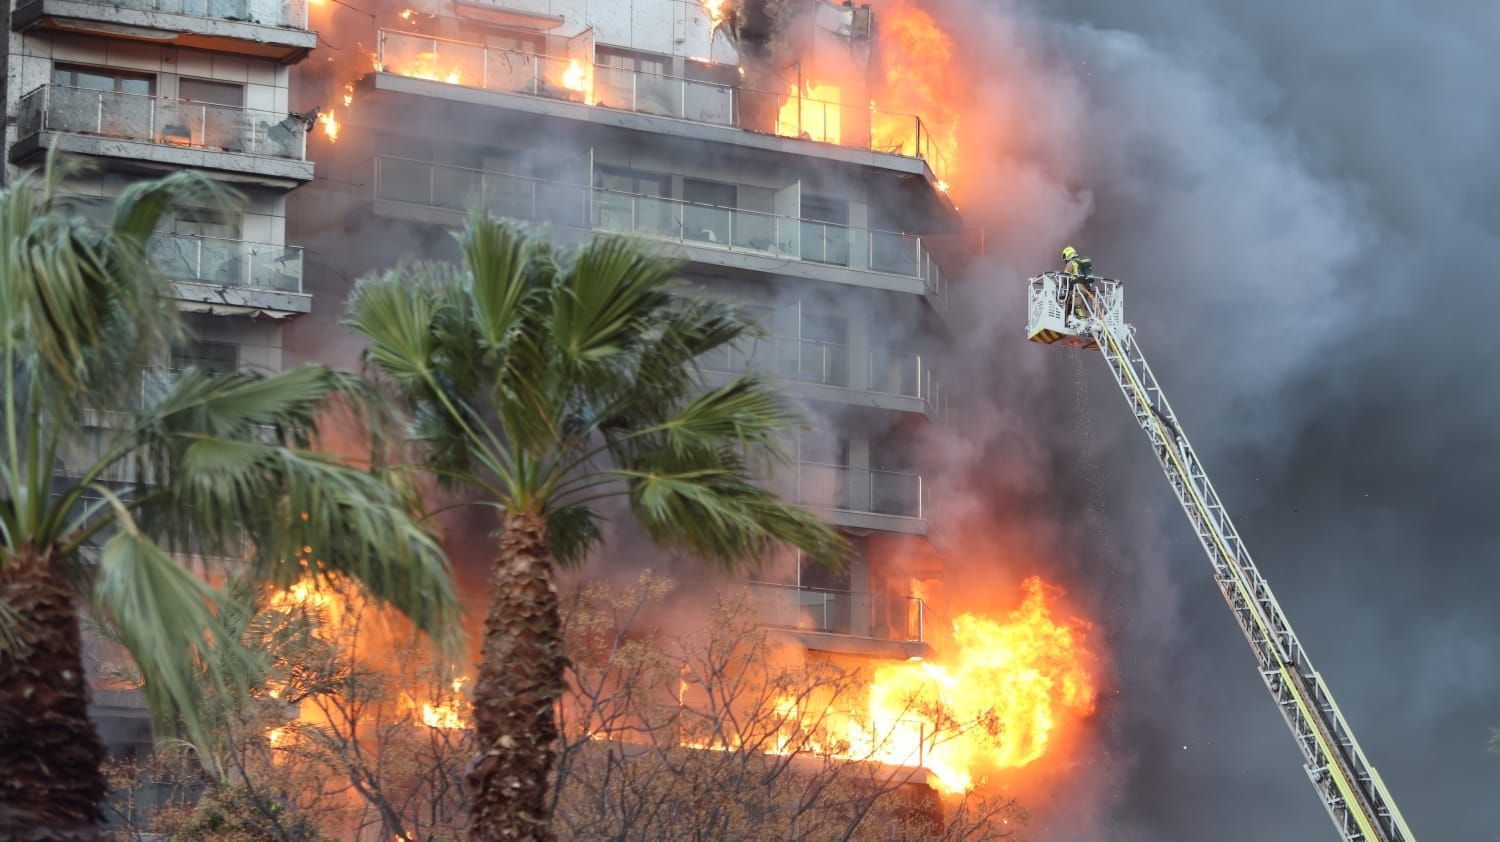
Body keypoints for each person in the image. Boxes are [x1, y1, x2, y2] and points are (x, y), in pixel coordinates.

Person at [1061, 245, 1094, 318]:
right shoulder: (1081, 263)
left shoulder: (1071, 263)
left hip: (1077, 289)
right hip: (1085, 289)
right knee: (1082, 305)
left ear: (1067, 255)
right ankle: (1083, 318)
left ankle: (1083, 319)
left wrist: (1063, 290)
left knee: (1077, 305)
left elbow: (1066, 277)